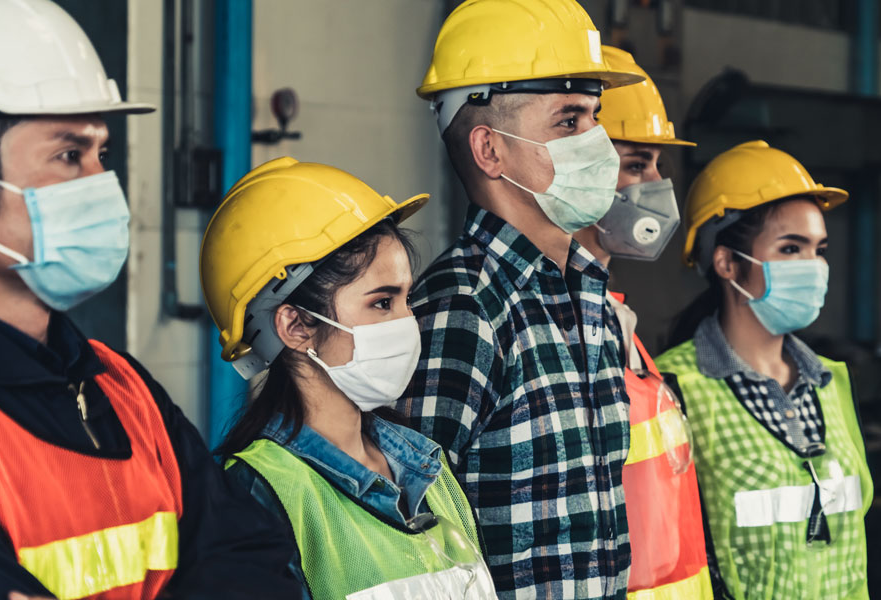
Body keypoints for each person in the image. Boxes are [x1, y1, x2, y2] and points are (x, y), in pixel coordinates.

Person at [0, 1, 298, 597]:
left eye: (103, 155)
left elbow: (253, 561)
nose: (102, 185)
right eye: (69, 155)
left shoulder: (122, 389)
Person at [396, 0, 647, 597]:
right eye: (568, 122)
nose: (598, 144)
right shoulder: (461, 310)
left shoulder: (591, 297)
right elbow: (418, 538)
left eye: (595, 117)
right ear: (489, 150)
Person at [199, 156, 496, 599]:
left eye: (405, 299)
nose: (407, 322)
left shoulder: (427, 468)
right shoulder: (256, 498)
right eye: (382, 303)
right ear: (296, 327)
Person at [655, 141, 872, 599]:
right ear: (727, 262)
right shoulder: (672, 390)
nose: (813, 267)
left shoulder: (831, 382)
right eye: (791, 248)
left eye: (819, 249)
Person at [573, 46, 713, 600]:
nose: (656, 184)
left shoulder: (616, 317)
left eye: (657, 164)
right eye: (635, 164)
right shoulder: (555, 324)